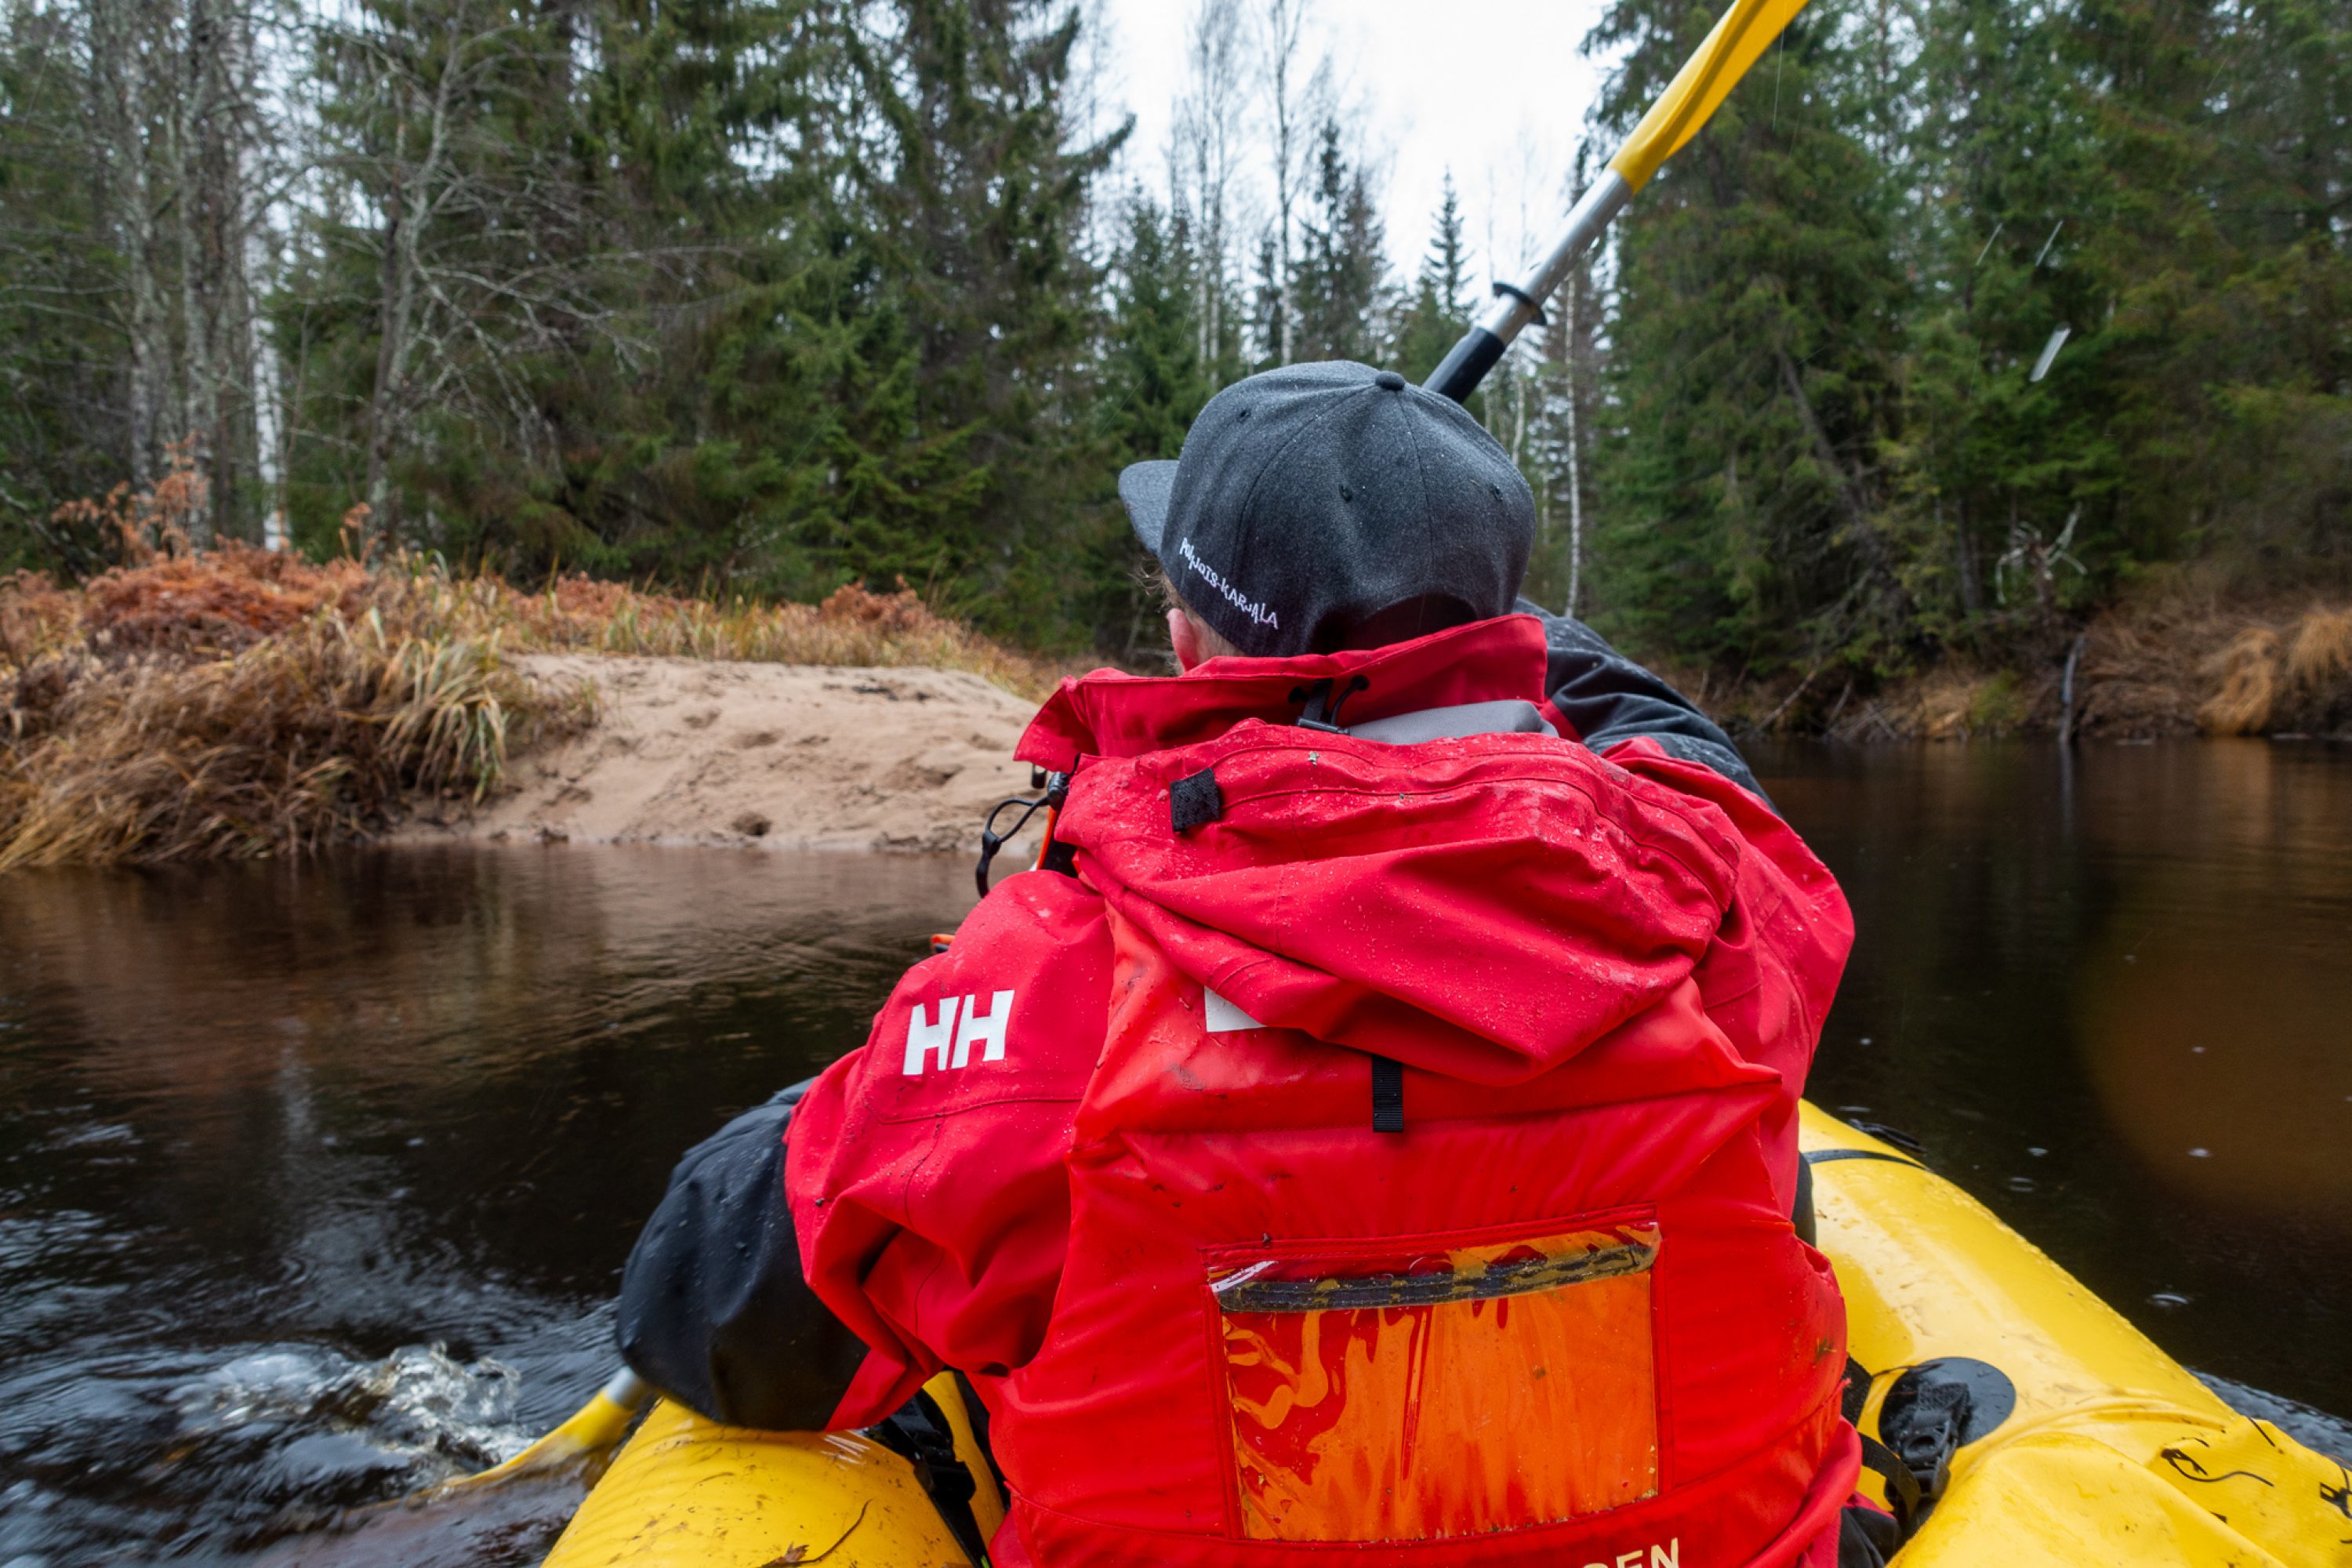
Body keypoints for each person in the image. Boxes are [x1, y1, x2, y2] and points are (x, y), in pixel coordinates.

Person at [615, 361, 1865, 1566]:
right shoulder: (1721, 900)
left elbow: (702, 1309)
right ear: (1502, 646)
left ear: (1185, 644)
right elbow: (1687, 754)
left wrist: (837, 1099)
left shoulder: (1049, 992)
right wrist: (1479, 624)